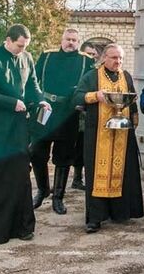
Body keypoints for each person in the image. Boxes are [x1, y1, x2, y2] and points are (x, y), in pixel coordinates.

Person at [0, 24, 51, 245]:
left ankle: (22, 227)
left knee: (19, 174)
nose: (22, 50)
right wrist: (12, 103)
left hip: (18, 127)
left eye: (25, 46)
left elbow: (33, 85)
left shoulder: (27, 58)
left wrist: (41, 100)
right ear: (8, 40)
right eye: (19, 45)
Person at [73, 43, 144, 233]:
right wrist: (96, 95)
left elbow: (132, 100)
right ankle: (96, 218)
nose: (118, 62)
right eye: (114, 58)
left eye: (120, 58)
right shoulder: (91, 76)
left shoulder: (126, 76)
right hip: (98, 134)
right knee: (97, 175)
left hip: (122, 132)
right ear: (104, 58)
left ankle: (121, 212)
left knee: (124, 172)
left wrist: (134, 121)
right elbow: (77, 97)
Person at [30, 29, 96, 213]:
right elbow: (33, 80)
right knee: (37, 151)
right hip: (45, 110)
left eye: (75, 40)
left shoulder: (85, 60)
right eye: (68, 39)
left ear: (78, 42)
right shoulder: (47, 56)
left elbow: (90, 85)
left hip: (68, 112)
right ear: (62, 39)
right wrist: (36, 100)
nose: (71, 43)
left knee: (64, 155)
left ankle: (58, 198)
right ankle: (42, 190)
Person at [70, 41, 99, 191]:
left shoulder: (95, 71)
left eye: (93, 54)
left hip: (88, 114)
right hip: (73, 112)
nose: (91, 57)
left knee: (84, 145)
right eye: (88, 54)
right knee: (76, 146)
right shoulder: (77, 68)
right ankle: (76, 177)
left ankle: (80, 178)